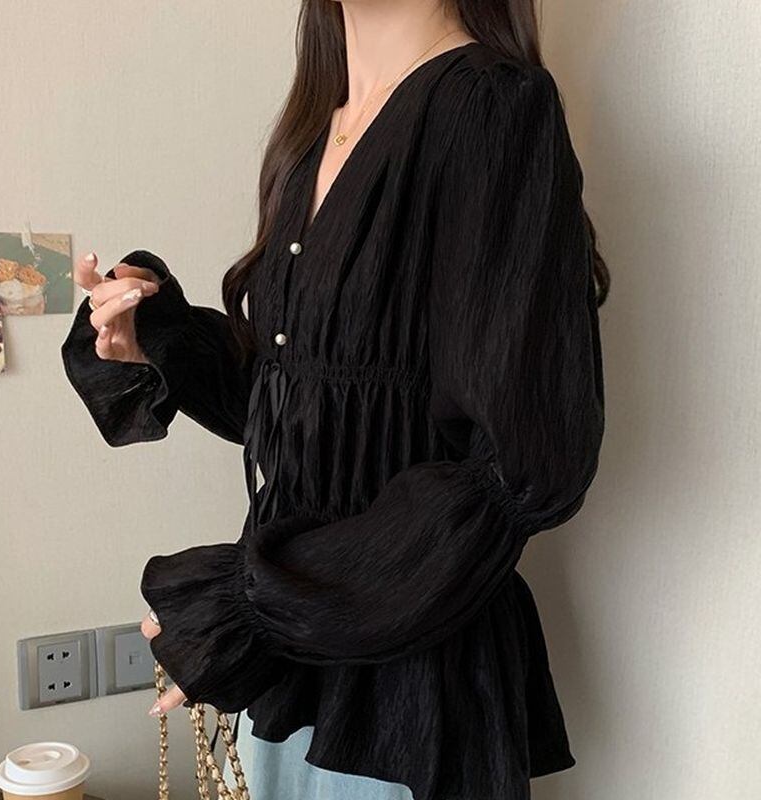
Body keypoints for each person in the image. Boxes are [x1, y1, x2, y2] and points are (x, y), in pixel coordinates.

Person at [60, 1, 608, 798]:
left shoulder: (493, 106)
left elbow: (522, 462)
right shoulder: (320, 127)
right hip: (300, 658)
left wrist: (253, 606)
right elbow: (311, 406)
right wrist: (160, 337)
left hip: (409, 670)